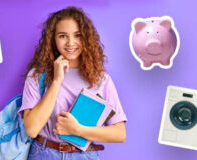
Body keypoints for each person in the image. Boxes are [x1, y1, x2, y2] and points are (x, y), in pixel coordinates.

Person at [18, 6, 127, 160]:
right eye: (63, 36)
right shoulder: (37, 75)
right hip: (44, 153)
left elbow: (119, 133)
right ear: (53, 39)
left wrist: (78, 130)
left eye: (78, 35)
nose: (70, 43)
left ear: (86, 38)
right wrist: (56, 81)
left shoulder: (100, 79)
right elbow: (32, 129)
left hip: (84, 155)